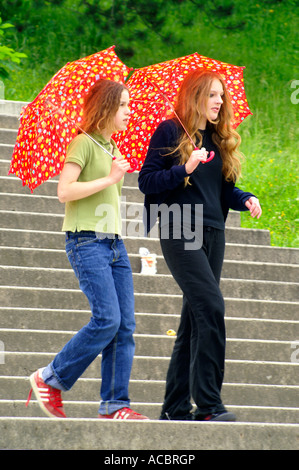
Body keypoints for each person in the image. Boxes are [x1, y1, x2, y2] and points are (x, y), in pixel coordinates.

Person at [138, 69, 262, 421]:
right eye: (211, 95)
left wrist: (246, 198)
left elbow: (222, 191)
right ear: (194, 96)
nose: (219, 101)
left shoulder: (220, 139)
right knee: (211, 307)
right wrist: (185, 167)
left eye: (221, 95)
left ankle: (175, 408)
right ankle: (208, 405)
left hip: (213, 233)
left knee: (194, 319)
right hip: (180, 228)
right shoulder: (170, 131)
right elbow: (147, 181)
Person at [26, 78, 149, 420]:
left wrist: (115, 172)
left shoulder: (112, 148)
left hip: (114, 243)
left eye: (129, 104)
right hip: (86, 241)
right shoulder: (82, 142)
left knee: (124, 325)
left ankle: (114, 405)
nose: (129, 111)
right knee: (107, 319)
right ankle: (49, 377)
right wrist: (110, 178)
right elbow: (64, 192)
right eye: (123, 105)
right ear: (107, 108)